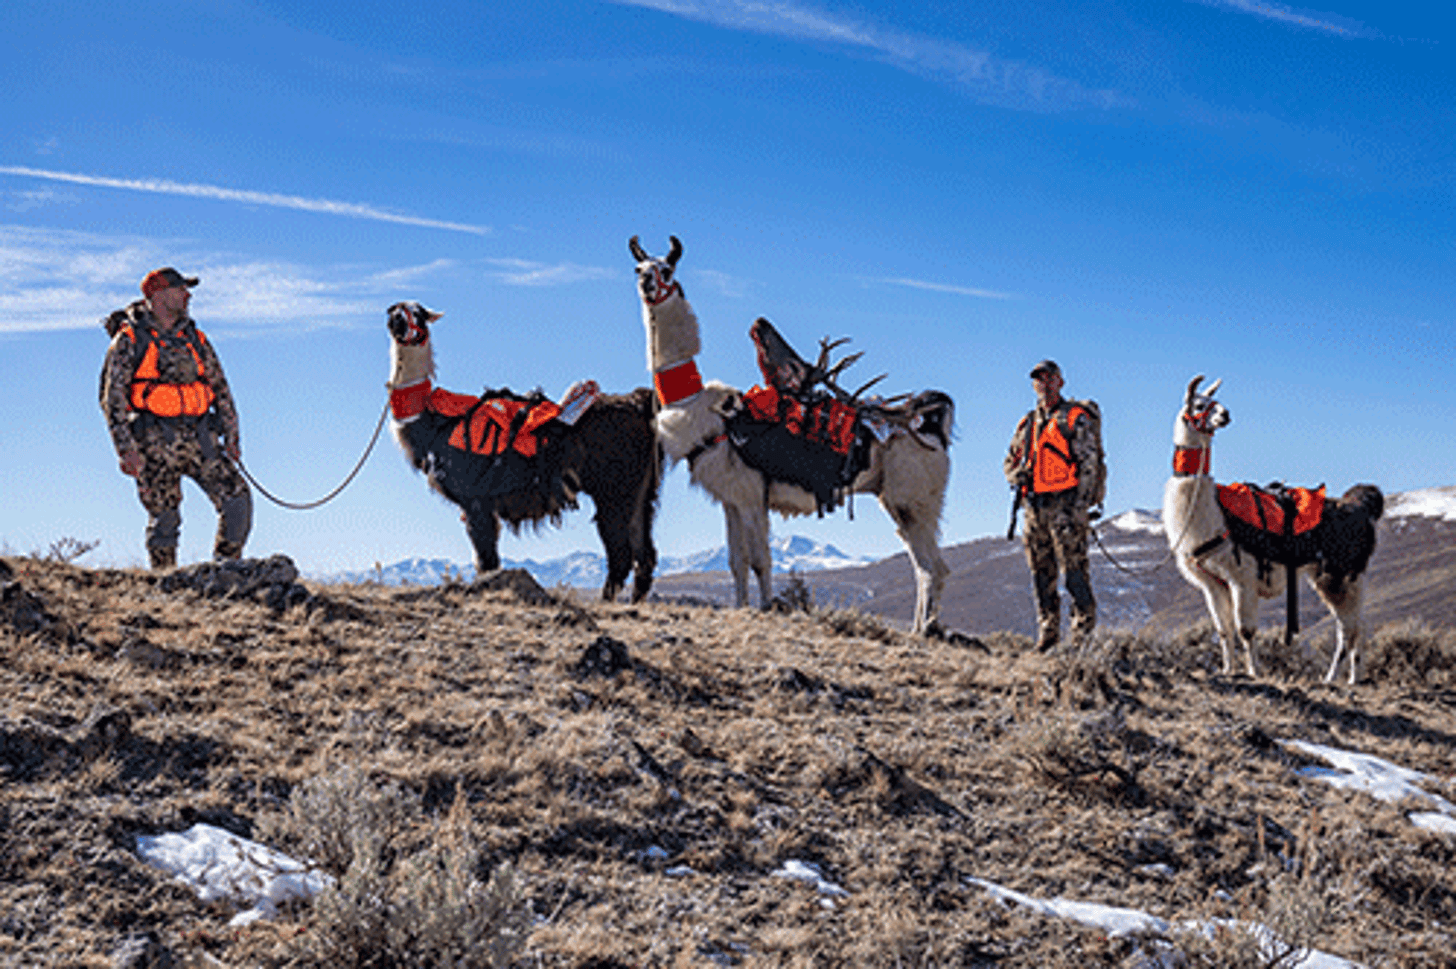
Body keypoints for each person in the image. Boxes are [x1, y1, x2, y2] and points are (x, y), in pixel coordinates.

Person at [100, 268, 252, 570]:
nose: (187, 295)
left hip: (202, 438)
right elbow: (112, 400)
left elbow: (221, 390)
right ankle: (166, 582)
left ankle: (224, 571)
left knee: (237, 500)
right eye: (180, 289)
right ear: (158, 294)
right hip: (153, 442)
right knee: (165, 518)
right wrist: (126, 450)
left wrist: (232, 438)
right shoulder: (129, 340)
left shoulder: (195, 339)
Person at [1003, 360, 1102, 650]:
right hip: (1034, 509)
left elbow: (1089, 464)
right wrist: (1016, 475)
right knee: (1040, 574)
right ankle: (1048, 634)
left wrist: (1080, 506)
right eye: (1039, 379)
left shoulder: (1074, 418)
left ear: (1060, 382)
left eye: (1049, 378)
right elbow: (1009, 460)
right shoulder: (1027, 424)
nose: (1044, 384)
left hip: (1066, 507)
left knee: (1074, 573)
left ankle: (1082, 637)